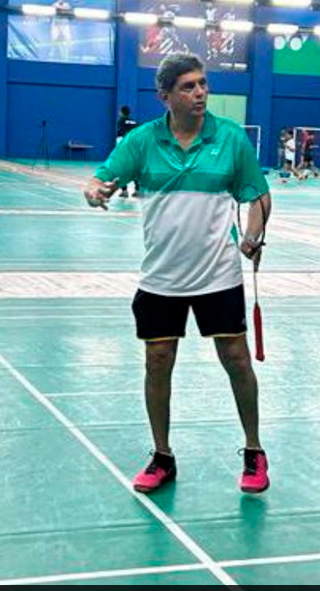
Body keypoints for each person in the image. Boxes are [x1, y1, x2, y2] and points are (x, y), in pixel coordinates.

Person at [83, 54, 273, 495]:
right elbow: (100, 178)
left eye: (203, 84)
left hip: (219, 275)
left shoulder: (230, 139)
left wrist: (252, 236)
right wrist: (96, 191)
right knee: (157, 362)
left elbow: (258, 197)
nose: (200, 93)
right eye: (188, 86)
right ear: (165, 96)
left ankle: (253, 450)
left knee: (238, 362)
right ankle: (162, 455)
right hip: (161, 278)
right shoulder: (144, 141)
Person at [115, 106, 139, 198]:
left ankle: (124, 191)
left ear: (122, 112)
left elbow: (121, 136)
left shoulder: (121, 121)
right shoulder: (135, 122)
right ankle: (137, 190)